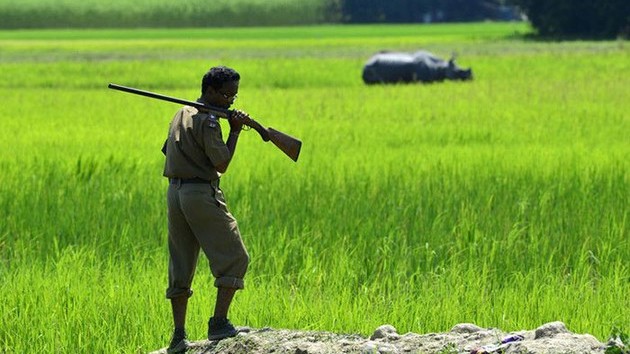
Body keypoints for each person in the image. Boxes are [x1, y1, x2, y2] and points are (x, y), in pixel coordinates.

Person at [161, 66, 252, 353]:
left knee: (181, 262)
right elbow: (221, 163)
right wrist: (234, 132)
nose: (230, 101)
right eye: (226, 95)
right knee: (236, 257)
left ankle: (178, 336)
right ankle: (219, 323)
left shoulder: (181, 114)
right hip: (201, 192)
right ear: (210, 91)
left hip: (175, 193)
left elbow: (167, 150)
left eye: (233, 97)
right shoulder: (210, 122)